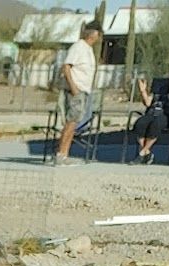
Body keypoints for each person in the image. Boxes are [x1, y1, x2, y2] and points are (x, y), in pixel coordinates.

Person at [54, 21, 102, 161]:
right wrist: (73, 87)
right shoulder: (78, 47)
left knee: (74, 122)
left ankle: (65, 153)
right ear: (93, 34)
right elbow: (67, 67)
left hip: (84, 90)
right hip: (76, 89)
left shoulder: (88, 49)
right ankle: (60, 153)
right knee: (71, 121)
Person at [133, 64, 169, 162]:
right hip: (153, 111)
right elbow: (148, 103)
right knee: (140, 124)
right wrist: (143, 91)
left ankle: (142, 153)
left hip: (168, 115)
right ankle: (146, 152)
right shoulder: (162, 87)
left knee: (155, 125)